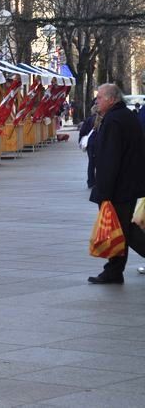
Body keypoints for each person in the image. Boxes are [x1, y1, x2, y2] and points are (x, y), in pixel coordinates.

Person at [88, 83, 145, 284]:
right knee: (122, 229)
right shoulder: (124, 116)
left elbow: (110, 160)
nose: (97, 101)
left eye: (101, 97)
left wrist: (104, 191)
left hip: (119, 188)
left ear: (112, 99)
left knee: (124, 231)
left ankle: (113, 270)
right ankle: (113, 270)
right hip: (126, 185)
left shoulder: (114, 121)